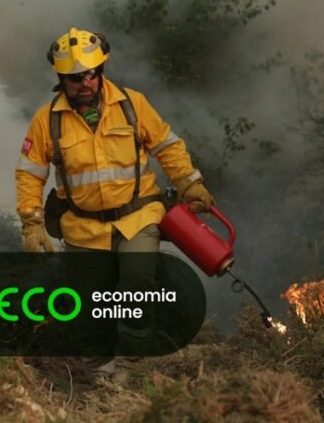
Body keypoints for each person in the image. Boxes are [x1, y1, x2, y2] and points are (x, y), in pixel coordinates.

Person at [14, 27, 213, 384]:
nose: (85, 83)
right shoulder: (47, 120)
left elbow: (167, 146)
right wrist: (32, 223)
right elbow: (29, 174)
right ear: (61, 79)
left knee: (137, 281)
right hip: (83, 227)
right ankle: (98, 378)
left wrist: (190, 183)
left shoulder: (132, 104)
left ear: (101, 70)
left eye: (91, 74)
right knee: (89, 307)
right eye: (75, 78)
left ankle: (131, 367)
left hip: (138, 217)